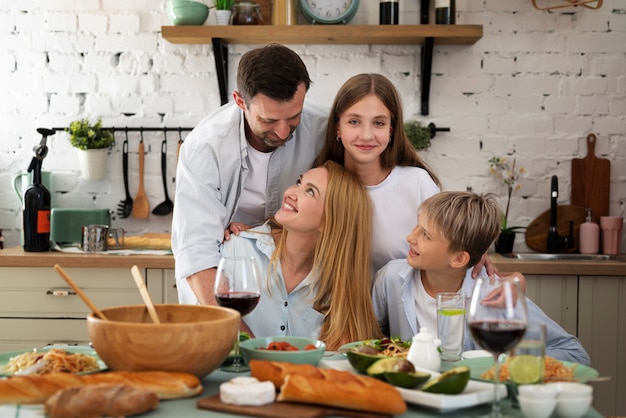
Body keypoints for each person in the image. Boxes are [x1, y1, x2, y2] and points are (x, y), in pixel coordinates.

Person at [172, 44, 328, 305]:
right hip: (228, 283)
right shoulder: (205, 148)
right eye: (269, 121)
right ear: (240, 101)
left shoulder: (323, 129)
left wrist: (261, 232)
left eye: (293, 117)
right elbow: (197, 251)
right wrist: (233, 330)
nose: (282, 132)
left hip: (300, 283)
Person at [177, 161, 383, 350]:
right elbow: (202, 329)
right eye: (299, 182)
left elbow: (341, 358)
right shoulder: (238, 249)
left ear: (330, 222)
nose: (292, 192)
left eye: (310, 192)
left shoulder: (338, 283)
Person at [371, 191, 590, 365]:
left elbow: (575, 354)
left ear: (458, 259)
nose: (410, 237)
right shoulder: (391, 279)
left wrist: (502, 363)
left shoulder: (493, 293)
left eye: (426, 235)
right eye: (417, 226)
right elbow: (368, 337)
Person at [313, 73, 441, 272]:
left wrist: (474, 252)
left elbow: (450, 248)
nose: (366, 135)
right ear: (338, 128)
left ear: (391, 130)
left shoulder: (417, 183)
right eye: (354, 121)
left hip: (400, 303)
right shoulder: (319, 185)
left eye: (379, 123)